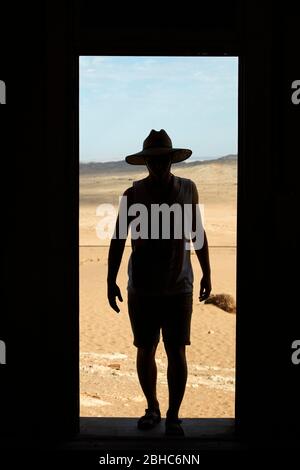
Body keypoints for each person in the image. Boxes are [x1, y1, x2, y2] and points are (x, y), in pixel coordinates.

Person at [107, 129, 211, 436]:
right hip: (142, 287)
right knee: (146, 349)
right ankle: (152, 407)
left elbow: (198, 234)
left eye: (163, 159)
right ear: (146, 163)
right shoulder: (132, 195)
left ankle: (173, 415)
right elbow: (117, 239)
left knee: (177, 350)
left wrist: (208, 271)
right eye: (153, 160)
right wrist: (110, 280)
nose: (159, 165)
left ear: (170, 159)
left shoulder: (188, 189)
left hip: (179, 285)